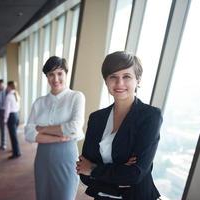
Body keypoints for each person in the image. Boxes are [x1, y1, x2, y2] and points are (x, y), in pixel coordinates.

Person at [76, 51, 163, 200]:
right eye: (113, 77)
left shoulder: (150, 116)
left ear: (138, 80)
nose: (119, 83)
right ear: (106, 81)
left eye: (126, 77)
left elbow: (135, 175)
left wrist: (93, 169)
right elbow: (83, 173)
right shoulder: (96, 118)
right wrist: (119, 173)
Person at [24, 56, 85, 200]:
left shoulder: (76, 97)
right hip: (42, 159)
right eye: (51, 74)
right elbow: (28, 133)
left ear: (65, 74)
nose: (55, 79)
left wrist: (42, 129)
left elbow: (74, 128)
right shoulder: (39, 103)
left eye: (59, 73)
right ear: (47, 77)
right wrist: (59, 136)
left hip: (67, 158)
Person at [4, 81, 21, 159]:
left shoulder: (9, 96)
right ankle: (16, 150)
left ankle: (16, 153)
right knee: (14, 136)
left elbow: (7, 110)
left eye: (7, 86)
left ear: (10, 87)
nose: (6, 88)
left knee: (13, 136)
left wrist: (5, 119)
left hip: (11, 117)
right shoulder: (16, 94)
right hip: (17, 115)